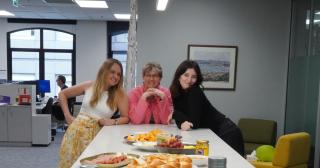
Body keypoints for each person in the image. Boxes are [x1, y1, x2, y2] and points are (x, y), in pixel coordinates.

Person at [58, 59, 129, 168]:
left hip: (96, 135)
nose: (116, 76)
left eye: (119, 74)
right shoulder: (90, 85)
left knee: (92, 165)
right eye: (112, 72)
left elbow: (126, 118)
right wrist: (67, 116)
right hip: (75, 133)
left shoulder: (119, 94)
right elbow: (62, 94)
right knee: (69, 164)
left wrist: (112, 121)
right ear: (104, 71)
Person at [169, 60, 244, 156]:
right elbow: (183, 123)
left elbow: (193, 123)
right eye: (186, 75)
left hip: (228, 132)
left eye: (194, 77)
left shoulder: (194, 91)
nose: (189, 80)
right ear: (179, 76)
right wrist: (178, 116)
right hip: (215, 133)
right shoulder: (177, 94)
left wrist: (175, 114)